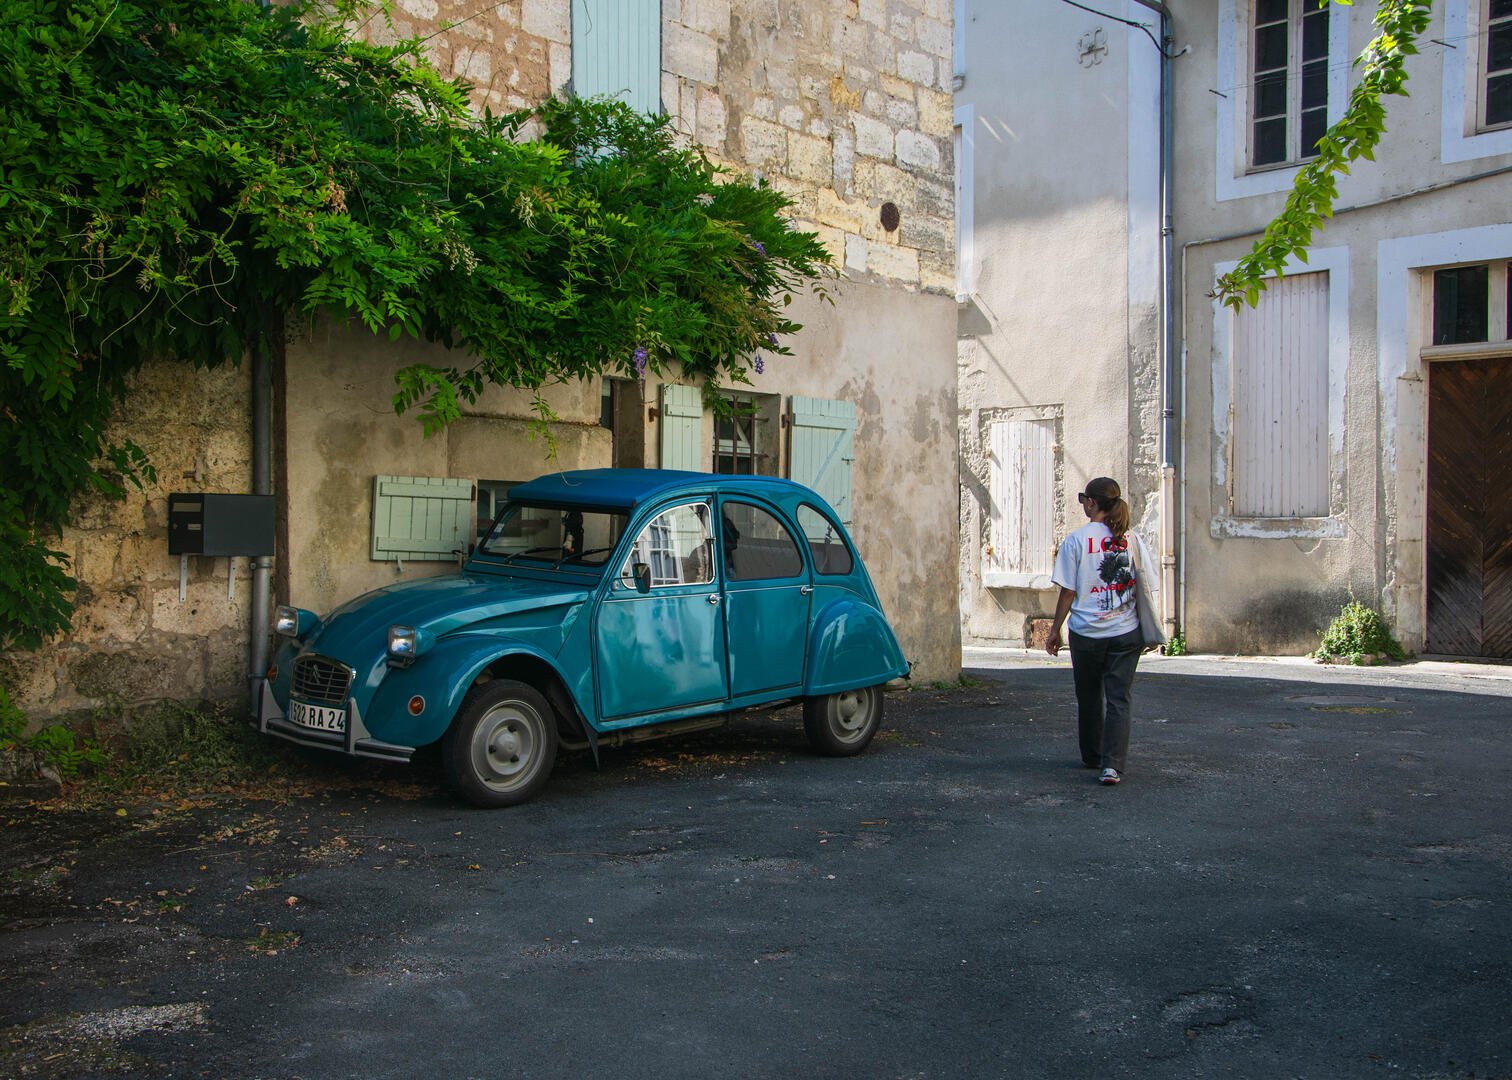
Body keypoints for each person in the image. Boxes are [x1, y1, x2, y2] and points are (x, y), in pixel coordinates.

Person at [1045, 476, 1156, 786]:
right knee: (1119, 698)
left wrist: (1054, 630)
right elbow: (1147, 584)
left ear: (1091, 503)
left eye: (1084, 500)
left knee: (1089, 695)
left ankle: (1093, 755)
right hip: (1125, 632)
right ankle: (1112, 766)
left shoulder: (1076, 541)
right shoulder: (1131, 539)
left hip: (1086, 633)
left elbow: (1068, 592)